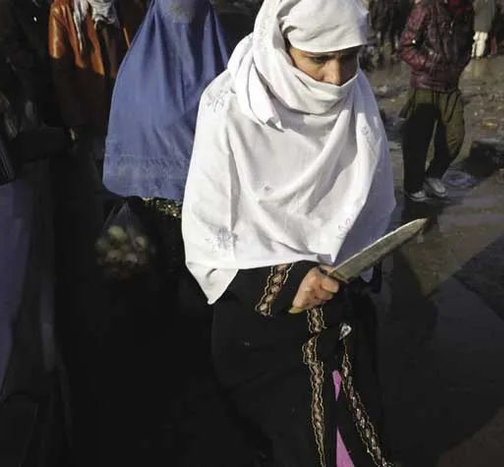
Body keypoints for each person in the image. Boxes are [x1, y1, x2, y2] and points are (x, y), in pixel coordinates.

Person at [182, 0, 396, 464]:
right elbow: (208, 235)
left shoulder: (357, 97)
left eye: (350, 57)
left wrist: (353, 265)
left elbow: (371, 206)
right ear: (282, 44)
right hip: (265, 335)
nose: (336, 78)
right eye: (318, 58)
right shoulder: (232, 107)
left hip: (341, 319)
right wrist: (287, 280)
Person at [103, 0, 229, 290]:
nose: (182, 22)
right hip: (150, 213)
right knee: (155, 289)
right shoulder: (137, 73)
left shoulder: (227, 72)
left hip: (208, 213)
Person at [48, 0, 144, 182]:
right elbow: (62, 74)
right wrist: (77, 123)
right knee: (110, 178)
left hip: (131, 109)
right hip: (96, 116)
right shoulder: (63, 10)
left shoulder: (127, 5)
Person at [398, 0, 472, 201]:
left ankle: (433, 175)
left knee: (455, 135)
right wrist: (430, 65)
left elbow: (468, 44)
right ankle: (413, 185)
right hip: (425, 83)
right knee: (418, 139)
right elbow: (405, 46)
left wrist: (458, 66)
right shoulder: (426, 8)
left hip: (450, 85)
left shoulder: (467, 11)